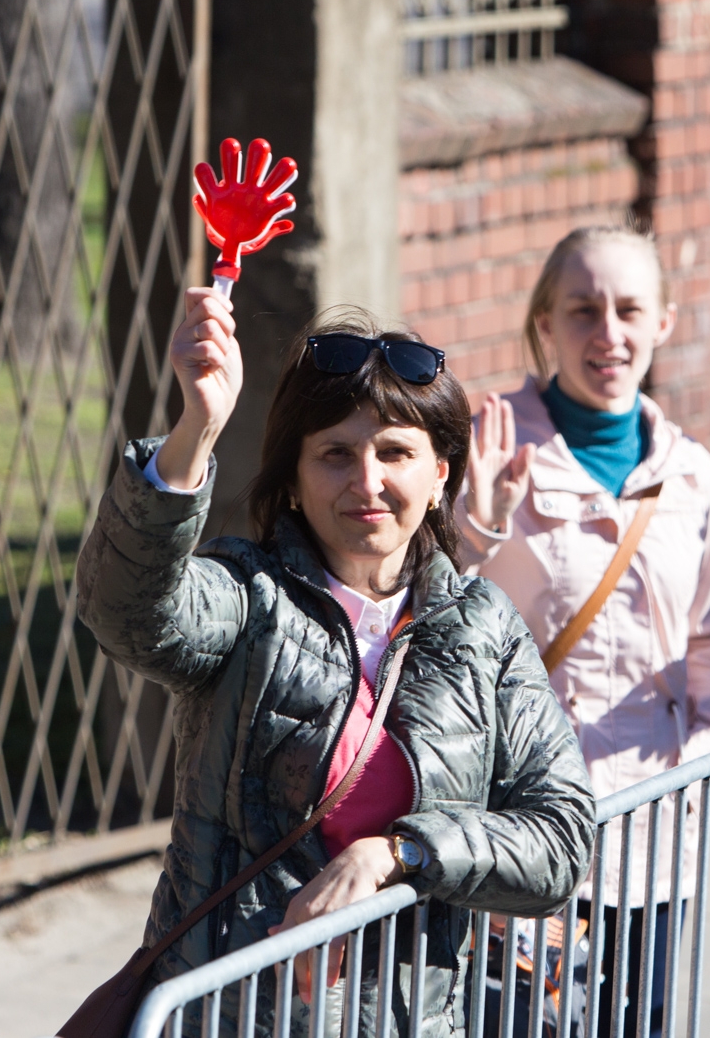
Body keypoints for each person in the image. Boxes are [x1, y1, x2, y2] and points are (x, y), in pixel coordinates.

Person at [76, 291, 595, 1035]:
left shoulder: (484, 627)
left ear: (442, 471)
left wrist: (399, 851)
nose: (367, 480)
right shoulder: (250, 598)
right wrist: (197, 428)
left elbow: (563, 836)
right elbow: (124, 612)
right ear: (292, 475)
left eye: (395, 452)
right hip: (233, 1013)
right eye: (335, 453)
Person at [456, 224, 710, 1038]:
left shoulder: (691, 474)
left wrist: (705, 755)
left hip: (654, 831)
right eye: (582, 310)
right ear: (544, 323)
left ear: (664, 323)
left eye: (628, 309)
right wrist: (475, 526)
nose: (607, 334)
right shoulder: (491, 442)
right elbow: (431, 605)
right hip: (524, 828)